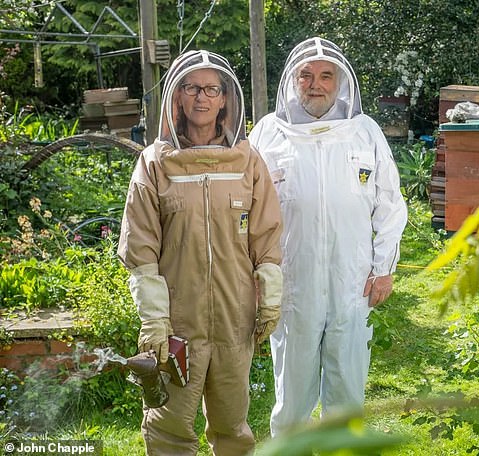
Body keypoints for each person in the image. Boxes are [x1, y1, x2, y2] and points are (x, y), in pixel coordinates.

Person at [117, 50, 283, 456]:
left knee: (232, 427)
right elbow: (141, 248)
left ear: (226, 98)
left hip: (233, 317)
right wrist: (154, 318)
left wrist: (271, 298)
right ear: (177, 96)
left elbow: (266, 237)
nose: (202, 98)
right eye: (192, 88)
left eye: (212, 89)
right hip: (177, 324)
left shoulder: (247, 162)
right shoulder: (155, 164)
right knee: (169, 428)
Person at [248, 37, 408, 437]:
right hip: (292, 285)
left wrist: (384, 268)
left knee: (347, 389)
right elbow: (244, 210)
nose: (315, 84)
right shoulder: (268, 134)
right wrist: (253, 273)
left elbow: (390, 205)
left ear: (340, 83)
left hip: (352, 282)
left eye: (325, 76)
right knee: (292, 393)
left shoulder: (364, 131)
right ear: (293, 80)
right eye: (306, 75)